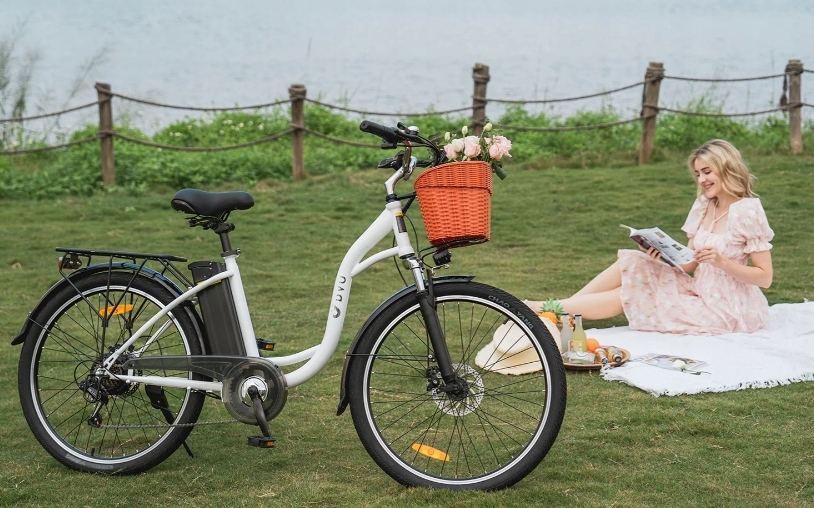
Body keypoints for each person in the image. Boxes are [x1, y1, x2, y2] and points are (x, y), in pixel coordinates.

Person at [527, 139, 774, 335]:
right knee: (634, 261)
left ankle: (540, 309)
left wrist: (722, 262)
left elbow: (765, 278)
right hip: (697, 289)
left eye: (707, 172)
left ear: (726, 168)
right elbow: (689, 264)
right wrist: (662, 256)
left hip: (728, 307)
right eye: (698, 173)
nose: (701, 180)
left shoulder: (748, 211)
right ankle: (559, 312)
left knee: (634, 293)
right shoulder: (704, 205)